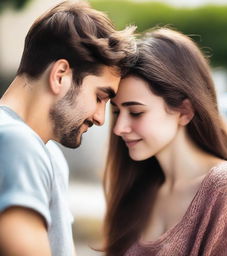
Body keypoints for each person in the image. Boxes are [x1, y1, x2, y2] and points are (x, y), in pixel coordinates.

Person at [103, 28, 227, 256]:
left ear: (184, 111)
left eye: (135, 112)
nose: (119, 128)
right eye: (116, 112)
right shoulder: (138, 187)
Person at [0, 1, 136, 255]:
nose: (100, 118)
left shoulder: (46, 153)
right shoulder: (17, 143)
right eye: (100, 97)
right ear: (60, 75)